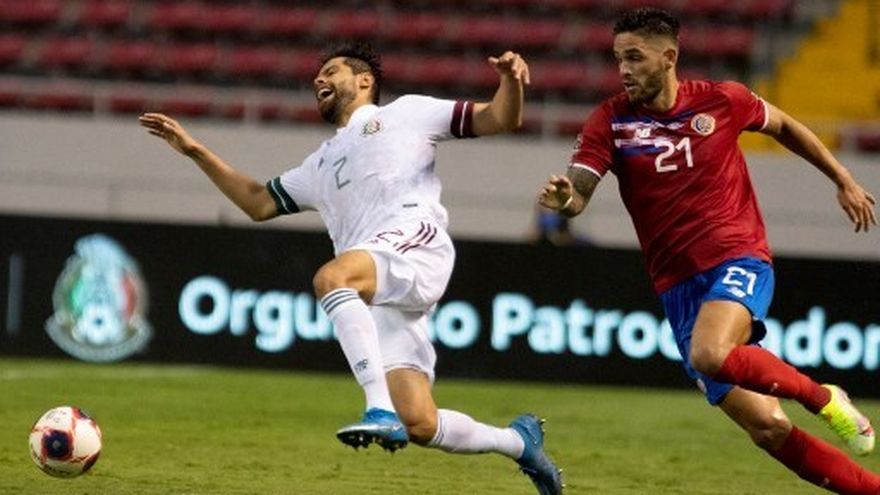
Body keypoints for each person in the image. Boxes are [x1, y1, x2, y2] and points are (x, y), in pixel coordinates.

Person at [140, 42, 562, 495]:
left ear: (364, 81)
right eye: (317, 76)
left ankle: (377, 409)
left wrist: (511, 82)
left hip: (414, 243)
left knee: (331, 278)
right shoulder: (319, 164)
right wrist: (195, 151)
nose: (319, 79)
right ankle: (518, 442)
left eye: (331, 71)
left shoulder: (407, 113)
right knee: (420, 422)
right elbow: (258, 202)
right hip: (378, 284)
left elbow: (500, 118)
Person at [538, 8, 878, 494]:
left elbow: (784, 126)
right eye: (618, 59)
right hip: (677, 288)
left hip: (738, 257)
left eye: (635, 57)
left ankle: (824, 399)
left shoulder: (722, 100)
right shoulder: (611, 121)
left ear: (669, 57)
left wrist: (842, 179)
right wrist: (565, 200)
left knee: (709, 353)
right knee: (768, 428)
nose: (624, 70)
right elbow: (578, 192)